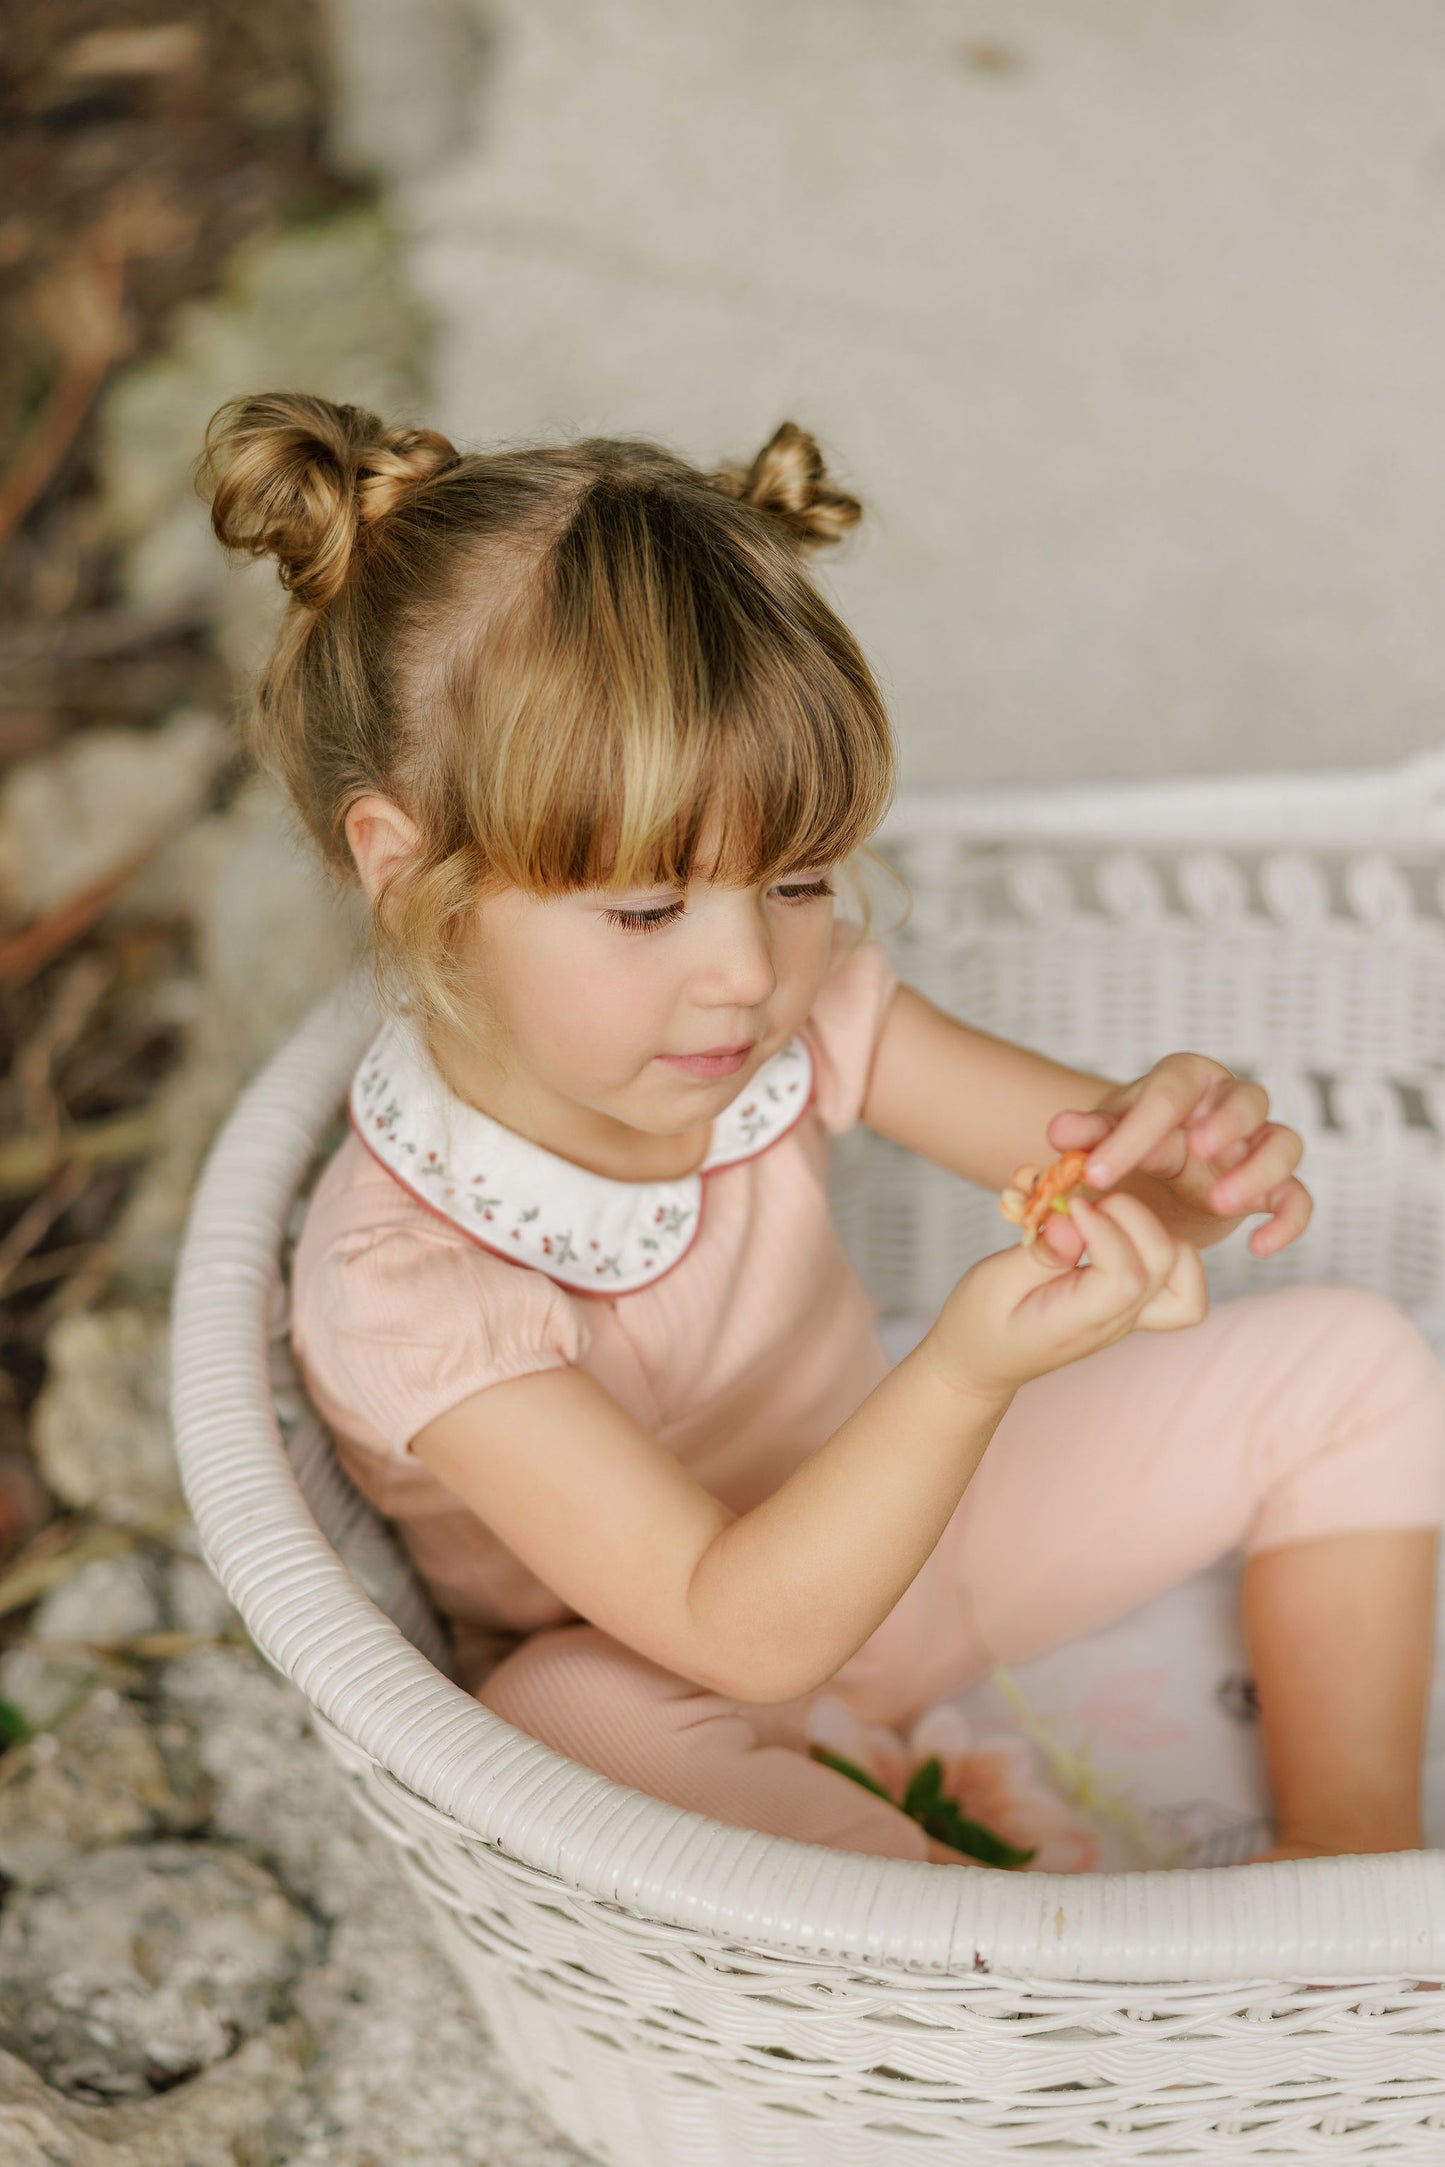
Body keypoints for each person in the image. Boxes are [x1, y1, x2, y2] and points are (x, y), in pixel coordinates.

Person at [199, 391, 1445, 1870]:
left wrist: (1175, 1161)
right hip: (696, 1667)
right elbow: (742, 1630)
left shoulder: (797, 1016)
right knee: (553, 1721)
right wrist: (967, 1371)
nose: (746, 971)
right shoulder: (405, 1282)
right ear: (414, 883)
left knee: (1352, 1365)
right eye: (649, 910)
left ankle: (1348, 1852)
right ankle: (1019, 1965)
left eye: (795, 881)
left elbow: (1084, 1168)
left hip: (924, 1552)